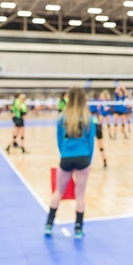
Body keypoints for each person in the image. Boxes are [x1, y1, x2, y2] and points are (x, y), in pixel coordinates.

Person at [44, 88, 96, 239]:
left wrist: (65, 154)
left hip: (66, 158)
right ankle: (78, 229)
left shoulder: (61, 118)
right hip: (83, 158)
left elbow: (59, 140)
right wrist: (88, 160)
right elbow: (90, 141)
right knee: (80, 196)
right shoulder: (88, 117)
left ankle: (49, 224)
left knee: (58, 192)